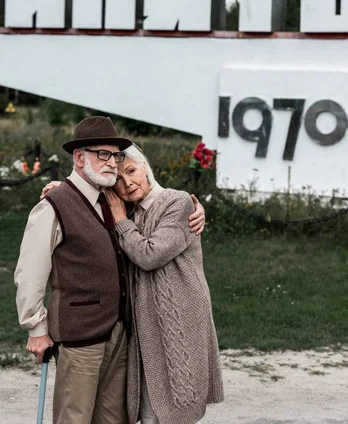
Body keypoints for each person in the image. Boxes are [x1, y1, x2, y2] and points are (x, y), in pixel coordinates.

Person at [14, 116, 205, 424]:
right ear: (79, 157)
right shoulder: (53, 205)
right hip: (80, 333)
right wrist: (36, 328)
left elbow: (156, 218)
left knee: (113, 419)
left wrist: (197, 210)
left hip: (119, 333)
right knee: (75, 417)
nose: (112, 163)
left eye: (115, 156)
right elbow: (29, 271)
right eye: (102, 154)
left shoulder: (114, 200)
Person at [105, 144, 224, 424]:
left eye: (132, 171)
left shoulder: (178, 202)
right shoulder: (132, 215)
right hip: (147, 322)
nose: (128, 182)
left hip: (180, 316)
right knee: (151, 405)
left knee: (177, 406)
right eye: (119, 180)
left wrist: (121, 221)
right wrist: (58, 187)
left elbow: (150, 255)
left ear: (145, 167)